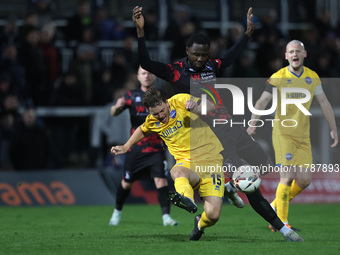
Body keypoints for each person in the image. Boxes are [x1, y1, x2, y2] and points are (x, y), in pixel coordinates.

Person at [132, 6, 303, 242]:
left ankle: (228, 185)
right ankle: (285, 231)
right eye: (196, 55)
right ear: (187, 51)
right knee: (250, 183)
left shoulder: (212, 65)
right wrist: (141, 33)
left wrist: (247, 34)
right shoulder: (175, 72)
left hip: (231, 126)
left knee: (265, 166)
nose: (201, 59)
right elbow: (147, 62)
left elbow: (230, 57)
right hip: (213, 137)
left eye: (204, 55)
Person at [247, 40, 338, 230]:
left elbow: (324, 101)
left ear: (304, 54)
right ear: (286, 56)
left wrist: (334, 128)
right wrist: (252, 123)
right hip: (283, 134)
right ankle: (283, 223)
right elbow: (263, 101)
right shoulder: (278, 77)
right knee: (286, 178)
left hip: (303, 136)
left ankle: (274, 206)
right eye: (291, 52)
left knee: (304, 180)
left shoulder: (312, 77)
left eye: (298, 51)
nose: (294, 54)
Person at [112, 88, 225, 241]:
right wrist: (126, 146)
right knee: (177, 172)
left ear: (166, 102)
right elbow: (142, 130)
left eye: (162, 111)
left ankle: (199, 224)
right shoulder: (153, 120)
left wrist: (197, 107)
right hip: (187, 162)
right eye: (155, 114)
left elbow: (211, 105)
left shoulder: (180, 100)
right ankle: (188, 200)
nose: (160, 116)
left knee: (213, 215)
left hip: (211, 160)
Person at [109, 67, 177, 227]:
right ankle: (117, 212)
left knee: (161, 181)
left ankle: (166, 217)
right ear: (138, 77)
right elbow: (113, 113)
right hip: (136, 148)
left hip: (156, 148)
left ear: (154, 75)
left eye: (150, 73)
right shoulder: (130, 95)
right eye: (143, 73)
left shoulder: (162, 95)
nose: (147, 76)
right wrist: (116, 107)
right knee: (126, 183)